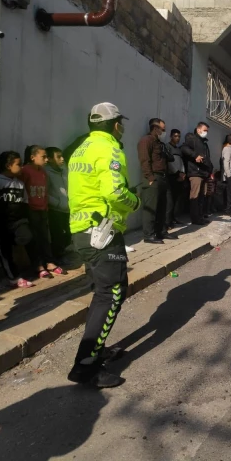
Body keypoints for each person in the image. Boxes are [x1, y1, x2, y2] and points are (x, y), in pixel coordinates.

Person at [67, 102, 141, 388]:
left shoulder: (81, 148)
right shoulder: (109, 147)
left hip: (82, 230)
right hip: (102, 231)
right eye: (121, 123)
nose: (122, 128)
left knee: (103, 293)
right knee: (111, 294)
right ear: (115, 124)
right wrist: (133, 202)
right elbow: (114, 191)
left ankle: (96, 349)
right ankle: (85, 366)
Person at [22, 145, 66, 278]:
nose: (46, 160)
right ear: (32, 157)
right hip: (31, 210)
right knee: (34, 239)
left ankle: (49, 262)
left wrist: (46, 206)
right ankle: (39, 265)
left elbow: (45, 191)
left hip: (42, 209)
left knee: (45, 238)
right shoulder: (25, 171)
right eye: (43, 157)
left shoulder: (42, 172)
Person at [0, 151, 36, 288]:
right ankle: (13, 278)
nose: (21, 167)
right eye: (18, 164)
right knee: (5, 252)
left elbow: (25, 202)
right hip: (1, 223)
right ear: (8, 166)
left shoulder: (19, 184)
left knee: (27, 237)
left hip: (17, 221)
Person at [137, 118, 175, 244]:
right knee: (151, 208)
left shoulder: (160, 144)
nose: (164, 132)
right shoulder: (146, 140)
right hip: (153, 177)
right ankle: (149, 235)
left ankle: (161, 231)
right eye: (162, 129)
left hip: (163, 177)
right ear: (155, 128)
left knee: (163, 207)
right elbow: (144, 160)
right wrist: (150, 178)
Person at [182, 122, 213, 225]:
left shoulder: (204, 143)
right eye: (205, 130)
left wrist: (210, 170)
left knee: (201, 197)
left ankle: (200, 217)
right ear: (198, 130)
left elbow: (207, 159)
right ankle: (195, 219)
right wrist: (195, 156)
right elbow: (184, 148)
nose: (206, 132)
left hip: (204, 173)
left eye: (207, 131)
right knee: (195, 197)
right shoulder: (192, 139)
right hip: (196, 173)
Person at [45, 147, 71, 259]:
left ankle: (63, 254)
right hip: (56, 210)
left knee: (69, 234)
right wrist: (58, 203)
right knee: (57, 236)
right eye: (58, 157)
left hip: (69, 208)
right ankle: (57, 258)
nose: (62, 159)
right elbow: (44, 192)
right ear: (50, 159)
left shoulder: (64, 169)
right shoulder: (46, 172)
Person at [165, 129, 185, 229]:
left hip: (179, 176)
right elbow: (169, 163)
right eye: (175, 136)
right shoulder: (167, 147)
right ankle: (167, 222)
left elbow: (181, 163)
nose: (177, 138)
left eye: (179, 136)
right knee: (170, 201)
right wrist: (177, 173)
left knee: (177, 200)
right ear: (171, 136)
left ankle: (173, 218)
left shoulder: (178, 149)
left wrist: (182, 173)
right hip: (172, 176)